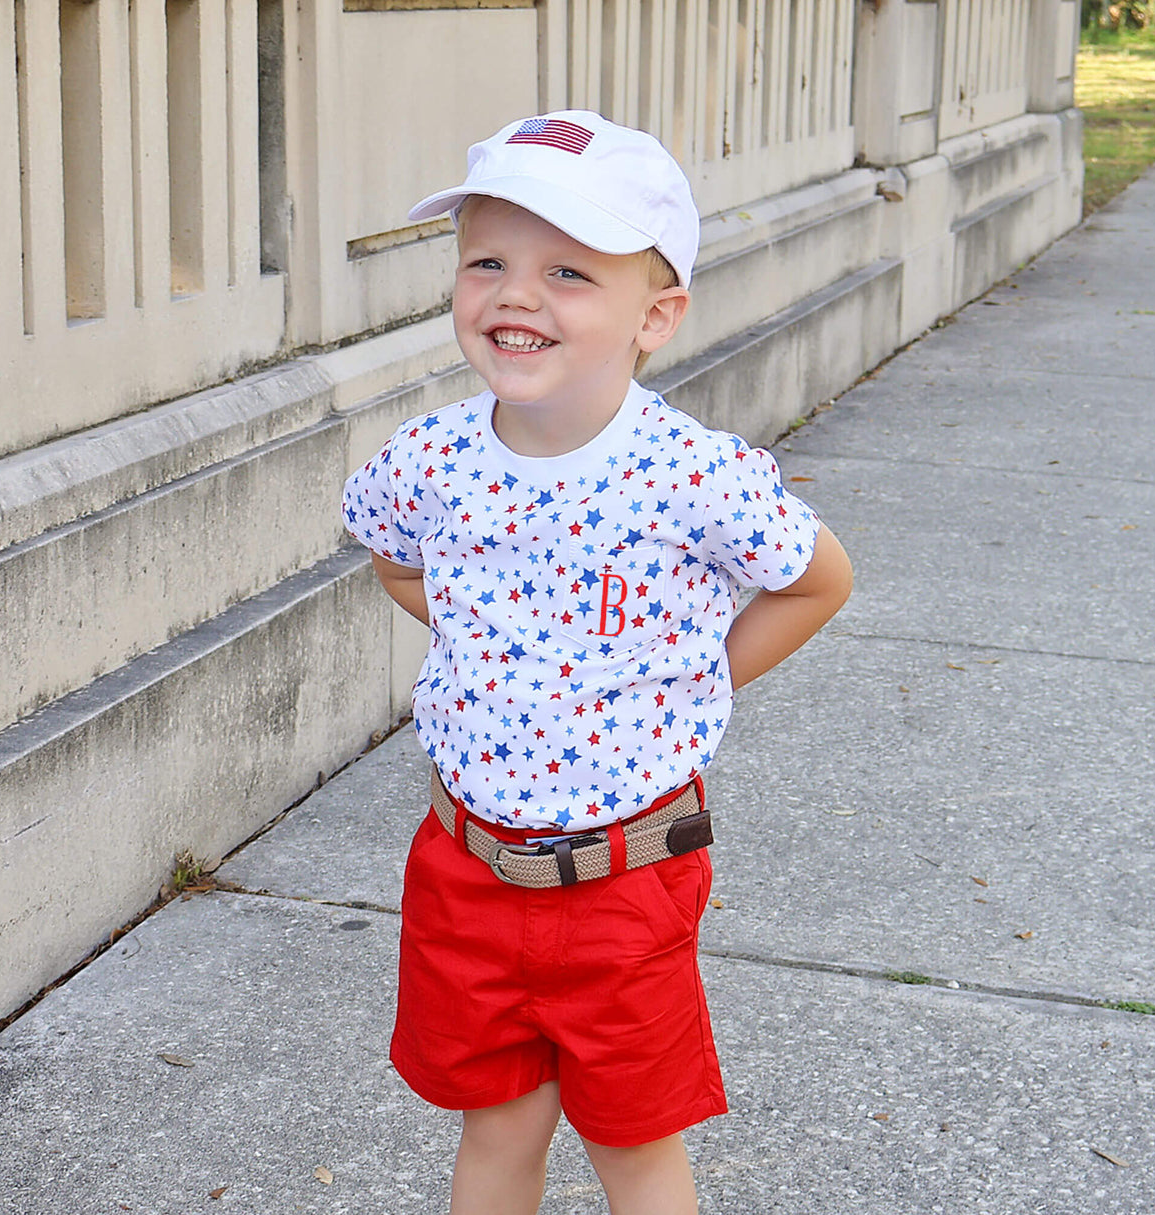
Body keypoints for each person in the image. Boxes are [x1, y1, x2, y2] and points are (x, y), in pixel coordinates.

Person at [341, 110, 852, 1215]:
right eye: (488, 261)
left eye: (568, 271)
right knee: (497, 1131)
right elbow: (392, 562)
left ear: (653, 316)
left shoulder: (693, 475)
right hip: (465, 867)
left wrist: (685, 681)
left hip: (621, 887)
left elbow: (816, 580)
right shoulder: (427, 460)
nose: (515, 295)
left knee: (631, 1147)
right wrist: (493, 648)